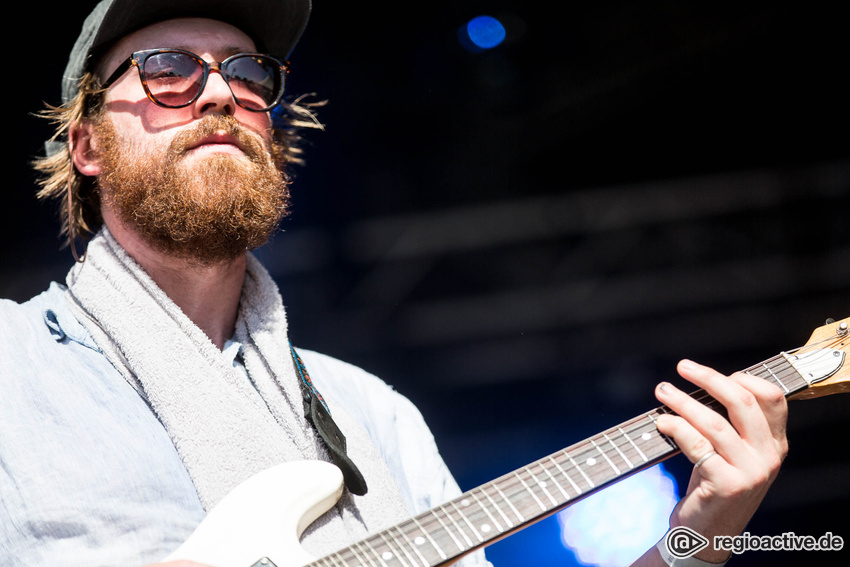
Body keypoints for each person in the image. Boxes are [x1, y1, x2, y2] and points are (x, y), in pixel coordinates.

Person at [0, 1, 788, 566]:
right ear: (87, 146)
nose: (217, 93)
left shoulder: (373, 413)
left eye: (248, 75)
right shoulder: (12, 364)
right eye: (168, 69)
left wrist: (700, 537)